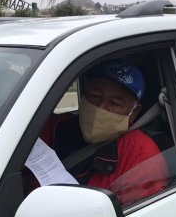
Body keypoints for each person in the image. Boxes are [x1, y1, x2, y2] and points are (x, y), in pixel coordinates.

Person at [38, 58, 168, 205]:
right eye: (94, 96)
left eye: (115, 103)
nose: (100, 107)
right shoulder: (55, 128)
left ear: (134, 113)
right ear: (83, 97)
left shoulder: (140, 154)